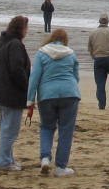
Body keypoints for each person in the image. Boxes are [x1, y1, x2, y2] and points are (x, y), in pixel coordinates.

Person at [27, 27, 81, 176]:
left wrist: (30, 100)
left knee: (46, 127)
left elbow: (34, 78)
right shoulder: (71, 54)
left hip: (47, 96)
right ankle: (61, 167)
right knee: (66, 130)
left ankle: (45, 158)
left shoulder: (41, 53)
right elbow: (76, 77)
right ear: (65, 40)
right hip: (70, 94)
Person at [0, 15, 31, 172]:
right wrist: (27, 87)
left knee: (7, 127)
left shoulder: (7, 42)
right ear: (21, 29)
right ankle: (4, 161)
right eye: (26, 28)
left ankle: (8, 159)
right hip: (10, 93)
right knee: (10, 129)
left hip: (2, 91)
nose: (27, 31)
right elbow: (16, 69)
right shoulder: (14, 45)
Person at [88, 14, 109, 110]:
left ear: (99, 21)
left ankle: (101, 104)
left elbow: (90, 47)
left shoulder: (93, 33)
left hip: (98, 59)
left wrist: (94, 56)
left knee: (100, 82)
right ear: (107, 21)